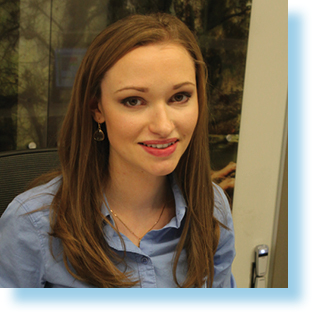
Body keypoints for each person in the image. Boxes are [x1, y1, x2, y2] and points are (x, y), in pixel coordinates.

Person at [0, 13, 236, 288]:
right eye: (133, 101)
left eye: (179, 97)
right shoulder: (31, 225)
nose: (163, 125)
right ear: (97, 108)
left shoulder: (212, 207)